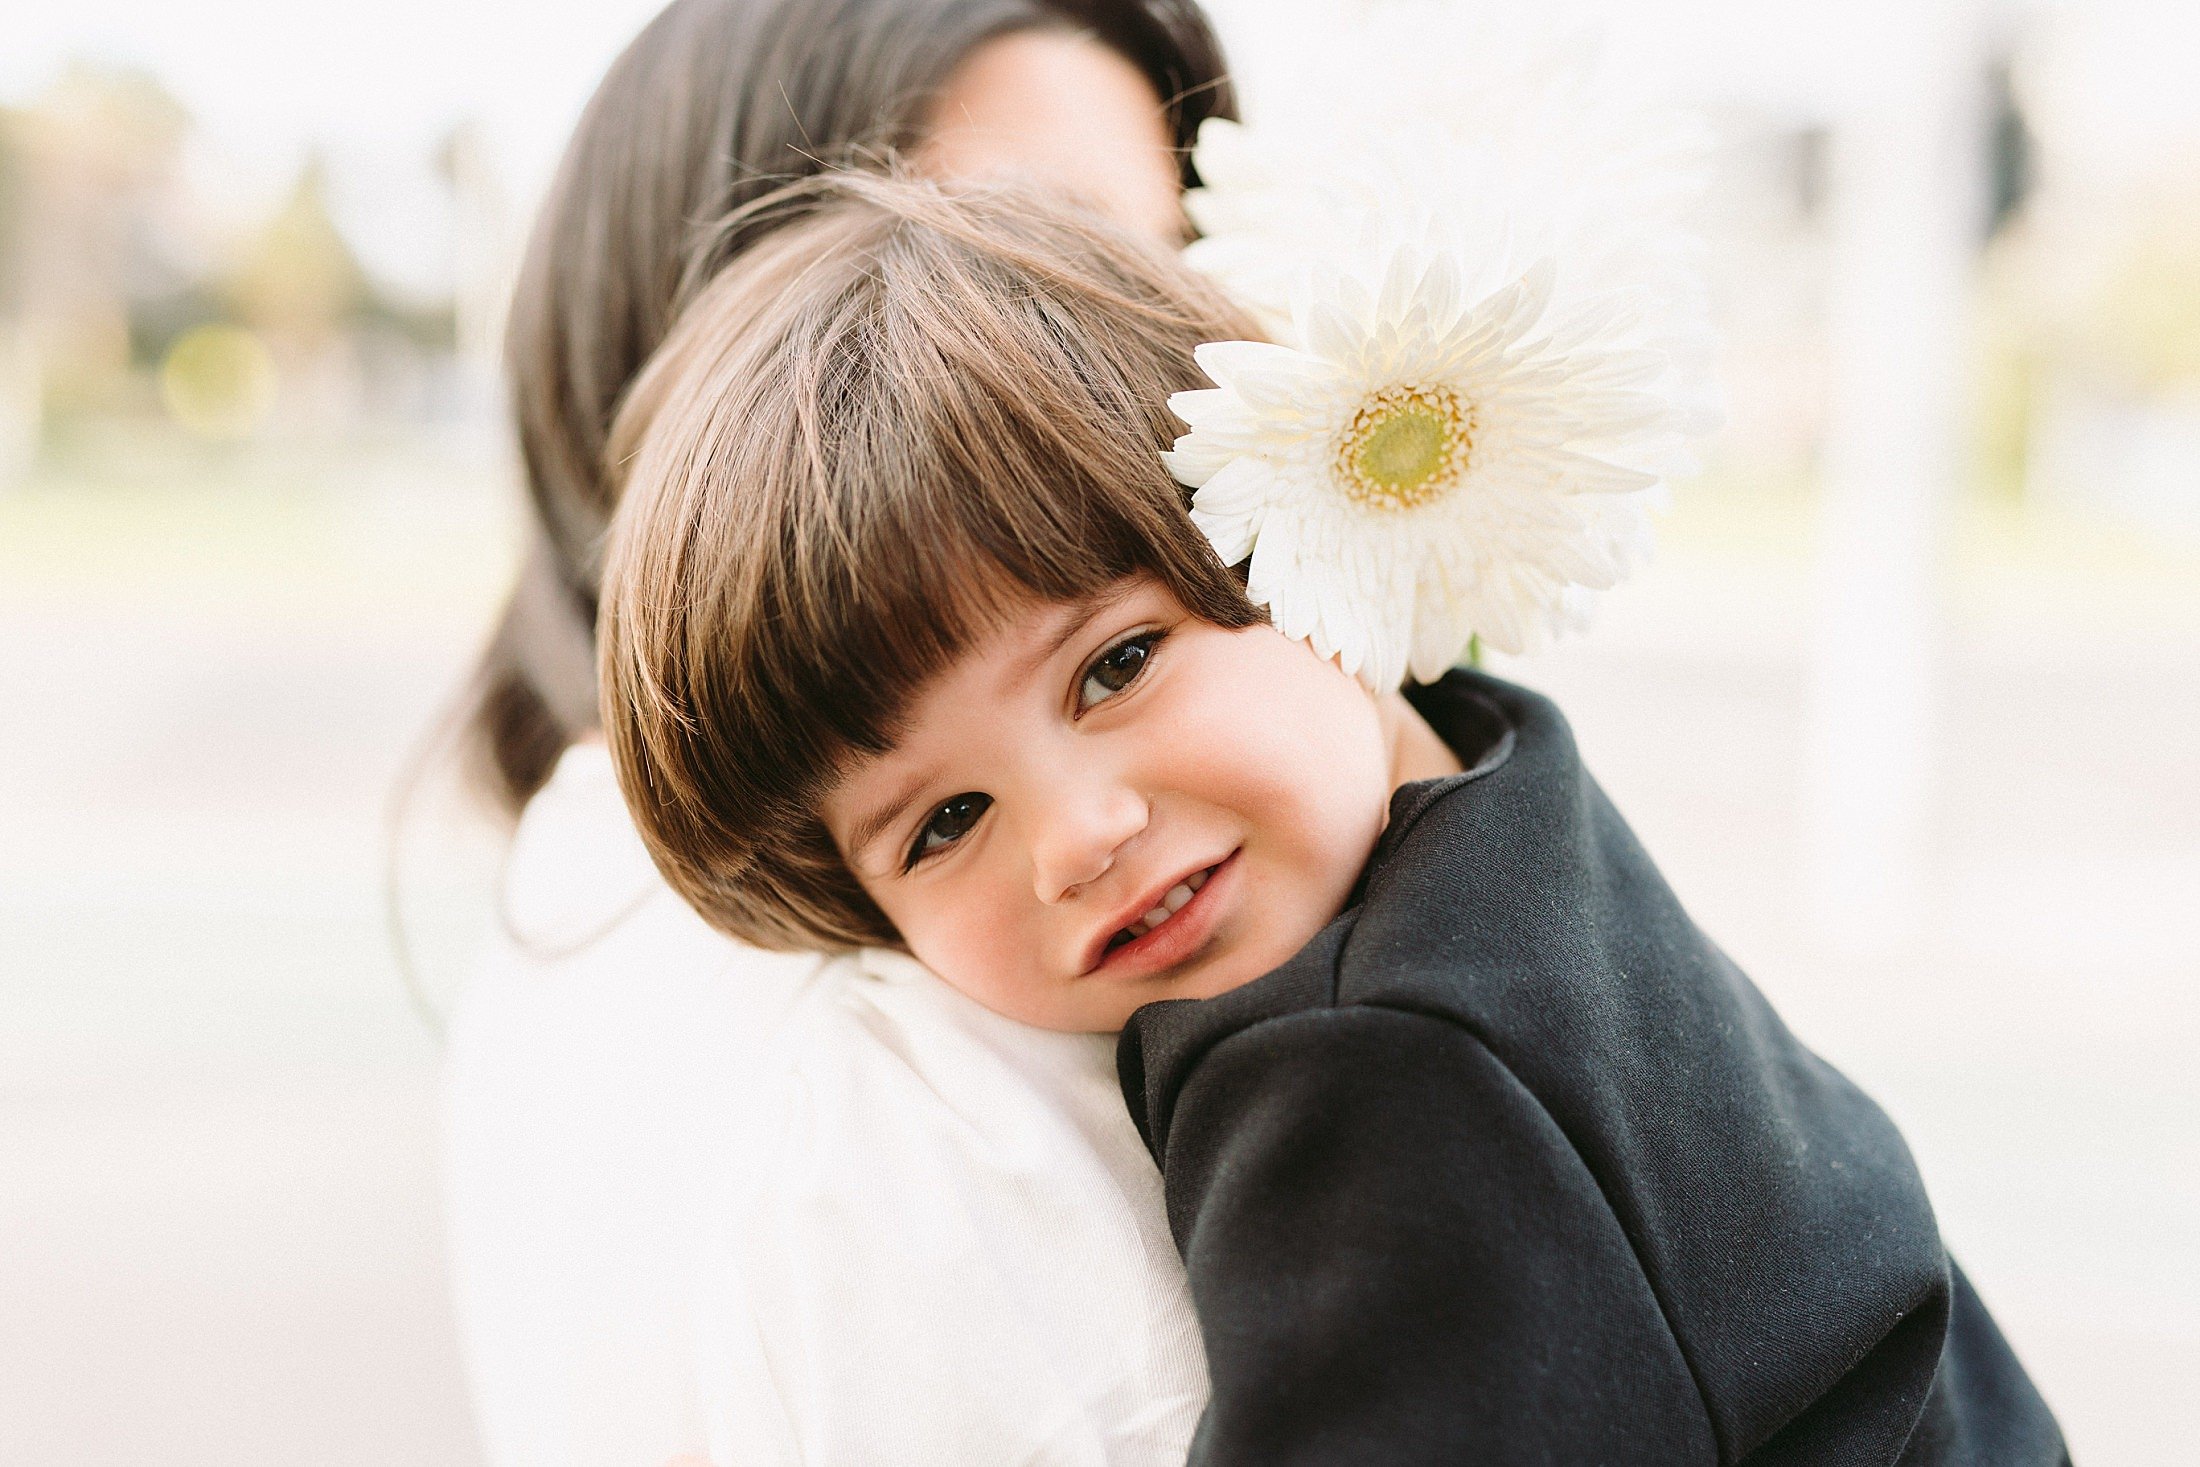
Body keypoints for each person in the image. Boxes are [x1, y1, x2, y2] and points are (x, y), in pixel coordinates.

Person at [594, 173, 2069, 1464]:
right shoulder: (1505, 798)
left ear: (1319, 552)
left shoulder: (1372, 1077)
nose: (1077, 836)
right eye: (941, 823)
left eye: (1114, 666)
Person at [441, 2, 1237, 1463]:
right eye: (1023, 259)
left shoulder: (569, 878)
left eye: (1159, 268)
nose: (1148, 377)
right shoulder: (937, 1049)